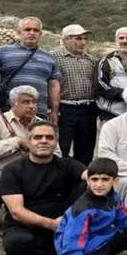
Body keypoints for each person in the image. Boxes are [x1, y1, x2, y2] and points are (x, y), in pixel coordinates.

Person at [0, 121, 87, 255]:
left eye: (49, 137)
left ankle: (73, 246)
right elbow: (16, 211)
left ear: (56, 142)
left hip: (66, 224)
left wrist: (66, 220)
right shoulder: (12, 170)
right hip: (29, 227)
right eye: (38, 137)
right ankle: (77, 249)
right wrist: (51, 224)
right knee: (14, 244)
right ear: (29, 141)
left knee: (91, 186)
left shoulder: (68, 164)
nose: (44, 141)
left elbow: (92, 177)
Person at [0, 85, 44, 222]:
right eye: (26, 102)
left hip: (30, 174)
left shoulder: (42, 125)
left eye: (34, 102)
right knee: (1, 181)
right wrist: (17, 142)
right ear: (14, 104)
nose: (31, 106)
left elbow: (57, 154)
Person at [0, 17, 61, 123]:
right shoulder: (2, 52)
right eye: (27, 29)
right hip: (8, 112)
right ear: (19, 32)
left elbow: (54, 85)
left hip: (39, 112)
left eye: (36, 30)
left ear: (40, 34)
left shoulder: (49, 57)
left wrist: (54, 111)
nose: (32, 33)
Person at [53, 23, 99, 164]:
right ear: (66, 39)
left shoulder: (91, 60)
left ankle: (82, 181)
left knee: (86, 149)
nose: (83, 42)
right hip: (65, 109)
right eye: (78, 39)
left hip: (88, 108)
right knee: (63, 147)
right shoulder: (54, 58)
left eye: (85, 39)